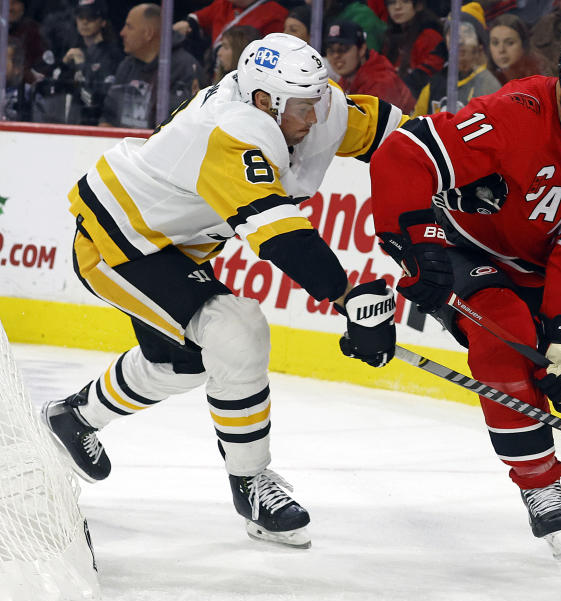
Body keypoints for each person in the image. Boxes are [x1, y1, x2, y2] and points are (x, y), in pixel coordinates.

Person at [44, 33, 403, 549]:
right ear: (264, 102)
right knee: (236, 328)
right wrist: (347, 297)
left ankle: (74, 417)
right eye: (303, 107)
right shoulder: (232, 131)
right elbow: (279, 234)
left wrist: (468, 170)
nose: (315, 117)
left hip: (175, 245)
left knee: (183, 363)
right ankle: (251, 483)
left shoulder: (308, 105)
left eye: (318, 100)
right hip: (120, 241)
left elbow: (412, 139)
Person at [370, 13, 561, 557]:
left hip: (550, 262)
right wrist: (416, 244)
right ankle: (539, 484)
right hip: (475, 250)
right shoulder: (512, 114)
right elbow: (406, 152)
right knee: (504, 340)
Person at [100, 3, 202, 129]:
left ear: (148, 33)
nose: (122, 33)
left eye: (129, 27)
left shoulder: (185, 67)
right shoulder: (127, 66)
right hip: (123, 146)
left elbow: (183, 126)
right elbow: (109, 117)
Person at [413, 2, 501, 115]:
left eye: (467, 33)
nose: (459, 41)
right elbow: (415, 126)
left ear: (480, 43)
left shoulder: (489, 86)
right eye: (453, 34)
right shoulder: (433, 86)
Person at [324, 20, 416, 113]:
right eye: (331, 51)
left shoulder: (381, 82)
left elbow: (378, 126)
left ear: (362, 49)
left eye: (343, 49)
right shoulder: (347, 80)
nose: (336, 56)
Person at [381, 0, 445, 97]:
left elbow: (426, 77)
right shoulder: (390, 37)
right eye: (392, 2)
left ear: (418, 5)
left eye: (405, 1)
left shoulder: (430, 36)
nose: (397, 7)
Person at [174, 0, 288, 52]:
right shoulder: (223, 4)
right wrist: (187, 25)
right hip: (217, 74)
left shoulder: (275, 13)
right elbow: (198, 19)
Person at [488, 13, 547, 84]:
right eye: (495, 43)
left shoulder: (541, 75)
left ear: (524, 45)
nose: (501, 50)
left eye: (510, 43)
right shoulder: (487, 77)